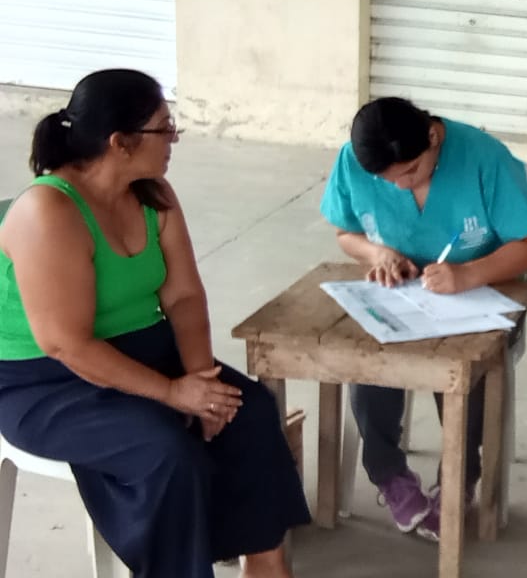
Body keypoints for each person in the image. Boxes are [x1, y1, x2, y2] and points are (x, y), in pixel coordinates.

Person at [0, 69, 309, 578]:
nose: (174, 139)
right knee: (164, 451)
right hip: (48, 382)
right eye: (164, 128)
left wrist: (201, 382)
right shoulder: (49, 210)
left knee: (247, 410)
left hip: (142, 351)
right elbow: (66, 344)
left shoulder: (152, 194)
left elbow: (184, 296)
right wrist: (172, 393)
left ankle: (266, 567)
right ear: (120, 142)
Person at [319, 96, 527, 541]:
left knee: (466, 364)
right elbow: (346, 232)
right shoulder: (353, 162)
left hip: (484, 293)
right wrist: (378, 253)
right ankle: (388, 473)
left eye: (411, 171)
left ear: (433, 136)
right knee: (367, 355)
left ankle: (459, 477)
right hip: (405, 292)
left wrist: (468, 274)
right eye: (388, 181)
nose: (402, 186)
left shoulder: (484, 158)